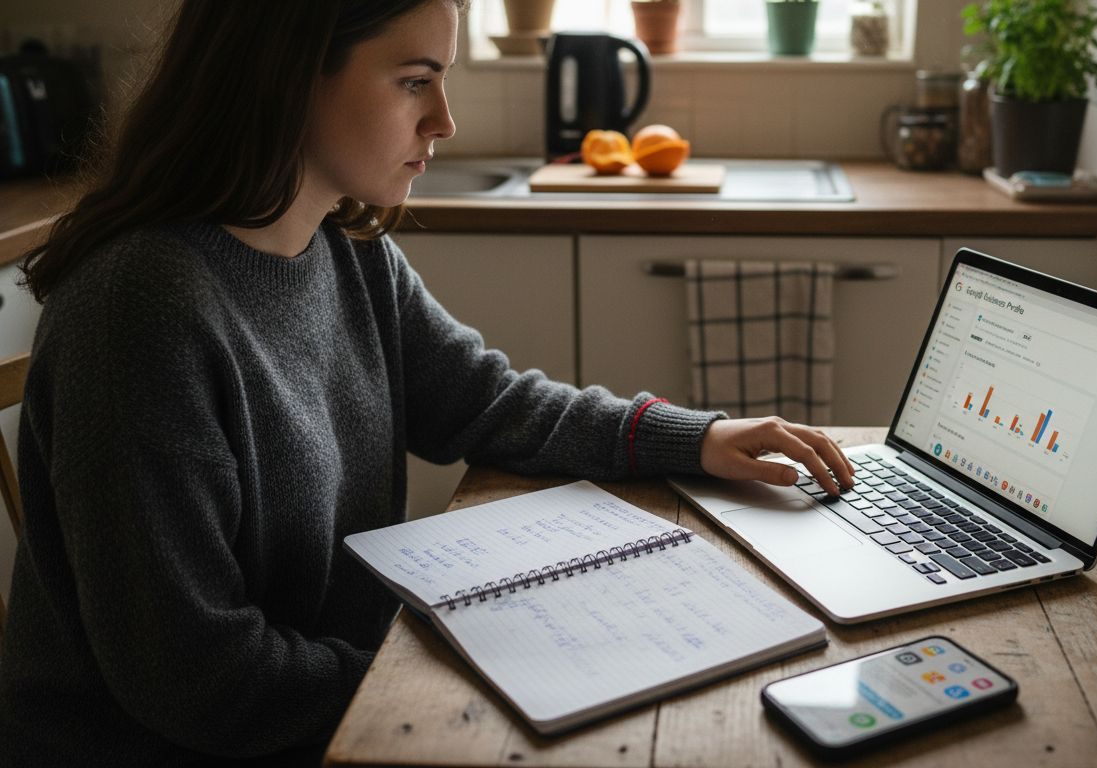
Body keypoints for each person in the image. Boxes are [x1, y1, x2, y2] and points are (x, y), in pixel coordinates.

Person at [0, 1, 853, 764]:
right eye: (415, 81)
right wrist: (437, 680)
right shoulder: (140, 311)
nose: (445, 120)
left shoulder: (345, 250)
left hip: (338, 710)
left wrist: (695, 437)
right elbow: (199, 682)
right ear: (287, 75)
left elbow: (487, 402)